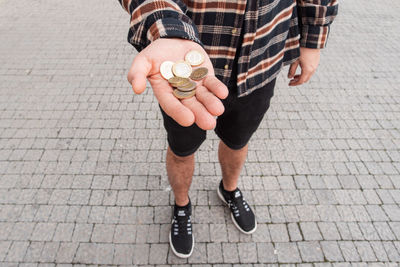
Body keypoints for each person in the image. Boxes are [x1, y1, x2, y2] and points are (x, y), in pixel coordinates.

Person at [118, 0, 338, 258]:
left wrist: (313, 38)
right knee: (181, 149)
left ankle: (229, 189)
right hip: (189, 62)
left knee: (238, 141)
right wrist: (164, 23)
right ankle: (181, 205)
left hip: (262, 58)